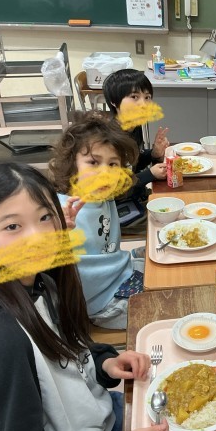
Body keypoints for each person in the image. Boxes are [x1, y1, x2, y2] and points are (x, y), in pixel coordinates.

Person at [0, 162, 169, 431]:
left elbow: (69, 351)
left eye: (45, 217)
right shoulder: (3, 340)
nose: (38, 237)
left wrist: (105, 363)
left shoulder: (42, 282)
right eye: (13, 226)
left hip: (101, 417)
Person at [50, 112, 142, 330]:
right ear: (72, 164)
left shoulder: (104, 196)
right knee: (161, 306)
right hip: (100, 304)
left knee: (166, 265)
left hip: (119, 273)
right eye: (93, 162)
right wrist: (56, 233)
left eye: (113, 164)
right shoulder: (61, 212)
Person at [103, 68, 169, 202]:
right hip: (115, 207)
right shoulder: (108, 138)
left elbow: (131, 165)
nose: (143, 104)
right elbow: (115, 190)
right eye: (134, 97)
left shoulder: (134, 126)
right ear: (114, 101)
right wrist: (150, 174)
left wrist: (153, 154)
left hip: (135, 196)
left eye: (147, 97)